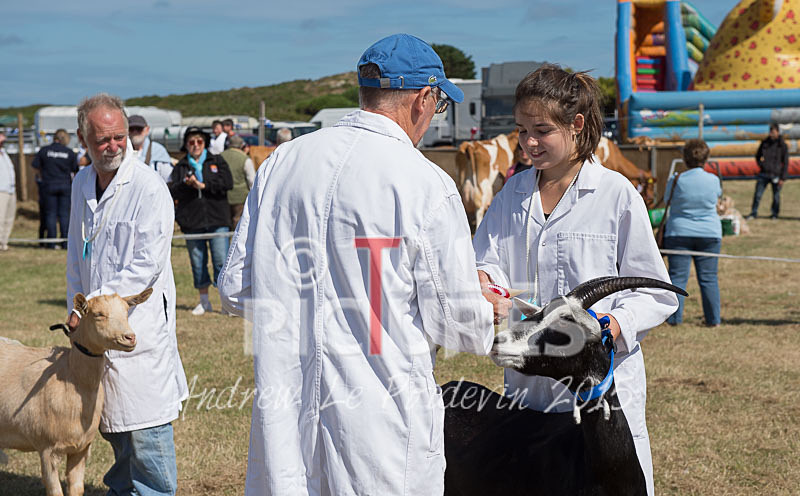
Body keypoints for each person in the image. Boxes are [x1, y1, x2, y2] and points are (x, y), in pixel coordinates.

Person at [218, 33, 493, 495]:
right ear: (424, 98)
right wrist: (489, 306)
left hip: (290, 412)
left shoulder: (282, 163)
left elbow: (235, 288)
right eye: (439, 105)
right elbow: (458, 322)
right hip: (382, 423)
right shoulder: (425, 183)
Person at [472, 64, 678, 496]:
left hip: (597, 383)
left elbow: (654, 291)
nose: (528, 143)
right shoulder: (512, 194)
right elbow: (487, 260)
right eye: (521, 130)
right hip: (530, 380)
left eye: (541, 130)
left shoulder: (616, 194)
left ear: (576, 125)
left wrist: (612, 327)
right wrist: (486, 285)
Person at [66, 93, 188, 495]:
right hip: (95, 330)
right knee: (112, 428)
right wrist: (76, 303)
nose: (114, 146)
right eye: (102, 140)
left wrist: (93, 308)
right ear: (84, 139)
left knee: (146, 431)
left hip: (137, 328)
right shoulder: (82, 181)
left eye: (120, 137)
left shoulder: (149, 189)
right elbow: (75, 254)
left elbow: (144, 266)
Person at [169, 126, 233, 316]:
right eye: (191, 142)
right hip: (192, 222)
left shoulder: (217, 160)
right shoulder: (181, 167)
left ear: (204, 143)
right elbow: (173, 191)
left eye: (199, 142)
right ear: (186, 145)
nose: (195, 145)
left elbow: (227, 183)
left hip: (217, 219)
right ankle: (204, 301)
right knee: (198, 263)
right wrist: (186, 185)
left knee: (221, 261)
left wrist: (204, 185)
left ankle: (225, 303)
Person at [663, 139, 722, 327]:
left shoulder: (676, 179)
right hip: (710, 233)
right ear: (706, 158)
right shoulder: (714, 179)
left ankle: (674, 319)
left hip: (679, 232)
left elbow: (666, 201)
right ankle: (713, 320)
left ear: (685, 158)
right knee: (709, 278)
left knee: (677, 278)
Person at [32, 128, 78, 249]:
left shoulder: (44, 150)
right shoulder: (69, 152)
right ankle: (65, 243)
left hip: (48, 185)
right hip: (65, 186)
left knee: (50, 214)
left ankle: (51, 243)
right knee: (64, 215)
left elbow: (35, 166)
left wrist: (41, 178)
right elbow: (75, 169)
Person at [747, 123, 789, 219]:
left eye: (773, 132)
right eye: (770, 132)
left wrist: (783, 177)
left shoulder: (782, 145)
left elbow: (786, 162)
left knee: (776, 197)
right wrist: (762, 165)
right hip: (764, 174)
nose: (771, 134)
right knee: (757, 195)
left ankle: (775, 214)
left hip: (776, 174)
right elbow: (758, 156)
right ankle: (754, 212)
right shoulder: (765, 143)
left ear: (778, 132)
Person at [220, 134, 255, 228]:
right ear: (242, 146)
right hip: (240, 197)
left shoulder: (220, 156)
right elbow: (251, 180)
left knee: (224, 222)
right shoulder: (245, 159)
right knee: (237, 220)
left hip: (223, 196)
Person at [128, 114, 173, 182]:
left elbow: (168, 180)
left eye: (139, 129)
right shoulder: (124, 151)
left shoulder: (158, 151)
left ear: (147, 130)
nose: (135, 132)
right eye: (131, 129)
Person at [0, 131, 16, 251]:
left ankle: (4, 242)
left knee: (9, 217)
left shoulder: (4, 153)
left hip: (10, 189)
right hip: (1, 190)